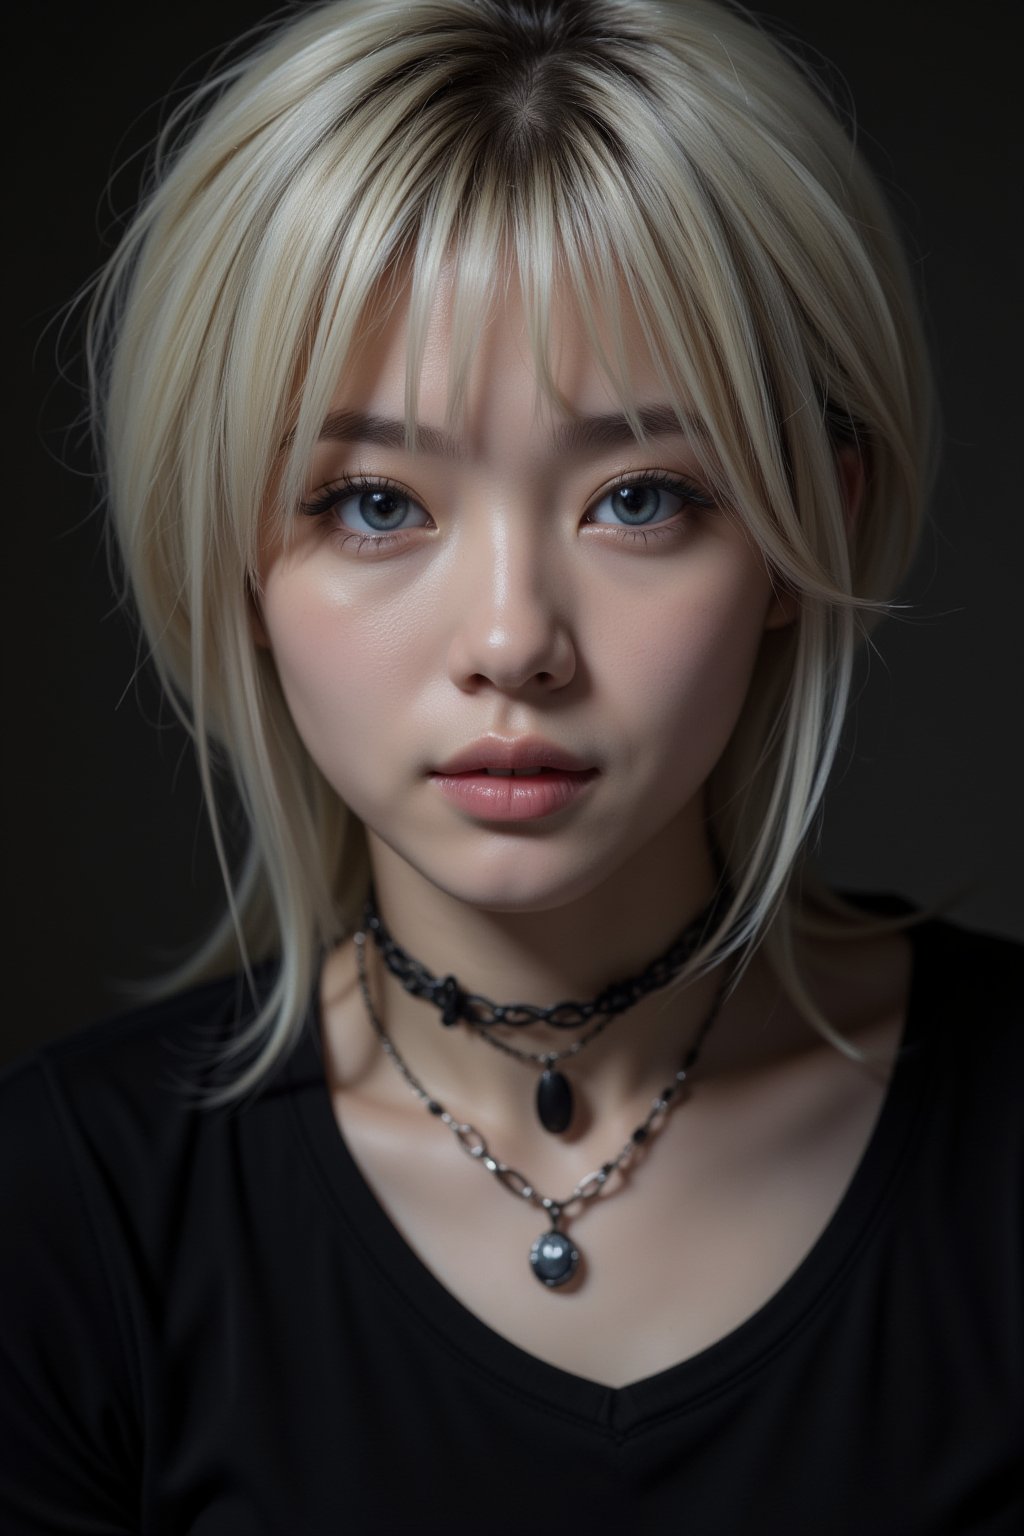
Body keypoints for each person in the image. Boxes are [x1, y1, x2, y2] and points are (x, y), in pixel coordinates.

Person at [1, 0, 1020, 1529]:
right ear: (228, 551)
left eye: (640, 497)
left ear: (812, 521)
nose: (512, 639)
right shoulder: (64, 1216)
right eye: (371, 503)